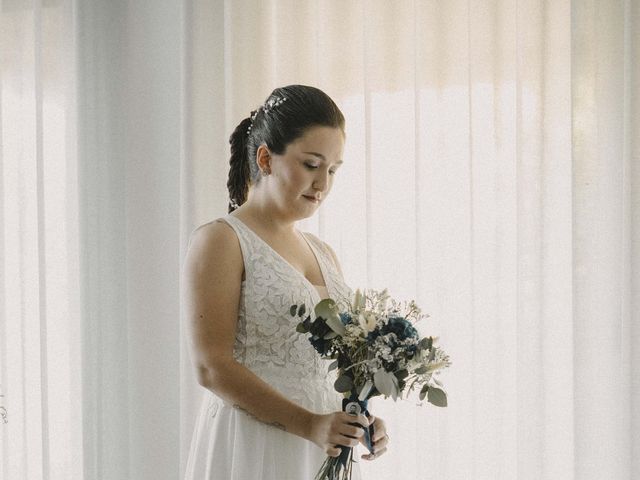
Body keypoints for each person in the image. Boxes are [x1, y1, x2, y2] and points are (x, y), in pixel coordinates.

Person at [182, 85, 389, 479]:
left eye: (332, 170)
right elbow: (211, 367)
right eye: (311, 164)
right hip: (255, 445)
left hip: (322, 448)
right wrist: (309, 424)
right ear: (265, 159)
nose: (323, 184)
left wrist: (360, 417)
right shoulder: (222, 240)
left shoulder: (323, 252)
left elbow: (334, 364)